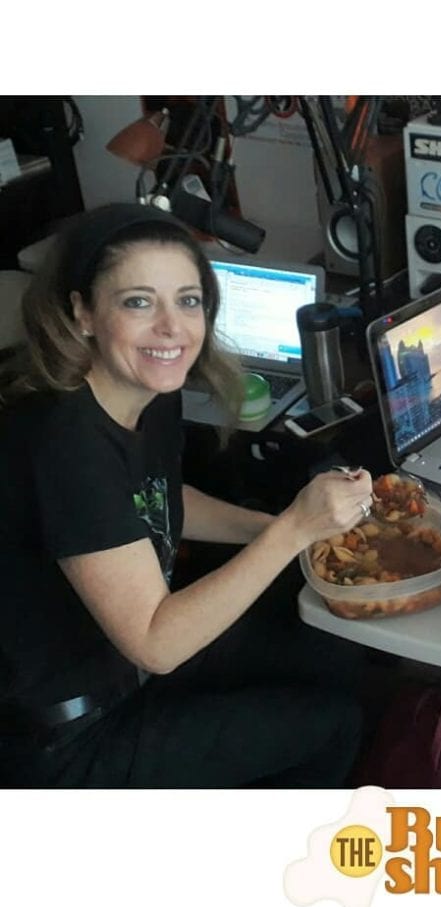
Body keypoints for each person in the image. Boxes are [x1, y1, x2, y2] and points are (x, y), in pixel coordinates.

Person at [0, 203, 373, 787]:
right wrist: (292, 530)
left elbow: (158, 499)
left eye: (188, 300)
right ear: (83, 313)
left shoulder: (145, 390)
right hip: (70, 735)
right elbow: (157, 642)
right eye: (138, 302)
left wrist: (278, 528)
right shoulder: (63, 442)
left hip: (127, 671)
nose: (172, 328)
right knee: (333, 726)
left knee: (336, 652)